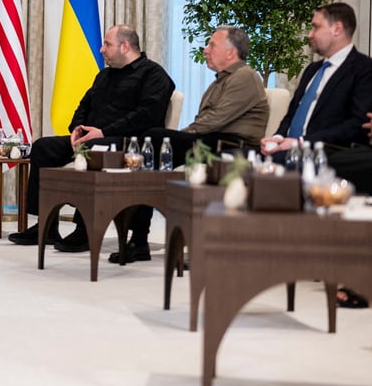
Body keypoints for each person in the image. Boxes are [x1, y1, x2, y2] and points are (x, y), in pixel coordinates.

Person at [104, 25, 268, 263]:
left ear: (231, 53)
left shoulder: (245, 76)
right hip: (211, 142)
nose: (205, 50)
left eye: (212, 45)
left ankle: (140, 238)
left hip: (232, 147)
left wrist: (180, 137)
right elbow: (205, 124)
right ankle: (138, 239)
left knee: (155, 140)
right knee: (149, 153)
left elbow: (214, 121)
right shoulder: (218, 82)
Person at [8, 25, 175, 249]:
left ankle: (84, 228)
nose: (101, 49)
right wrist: (77, 129)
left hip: (127, 144)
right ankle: (46, 224)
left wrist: (103, 133)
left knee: (95, 148)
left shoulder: (153, 75)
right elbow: (83, 106)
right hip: (90, 140)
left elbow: (146, 116)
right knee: (43, 147)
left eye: (107, 44)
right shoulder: (104, 75)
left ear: (125, 46)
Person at [259, 2, 372, 158]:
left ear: (337, 29)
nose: (309, 34)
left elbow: (358, 125)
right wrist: (277, 138)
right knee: (231, 159)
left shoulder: (366, 70)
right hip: (288, 151)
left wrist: (301, 142)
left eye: (316, 27)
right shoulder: (312, 69)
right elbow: (291, 115)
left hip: (325, 155)